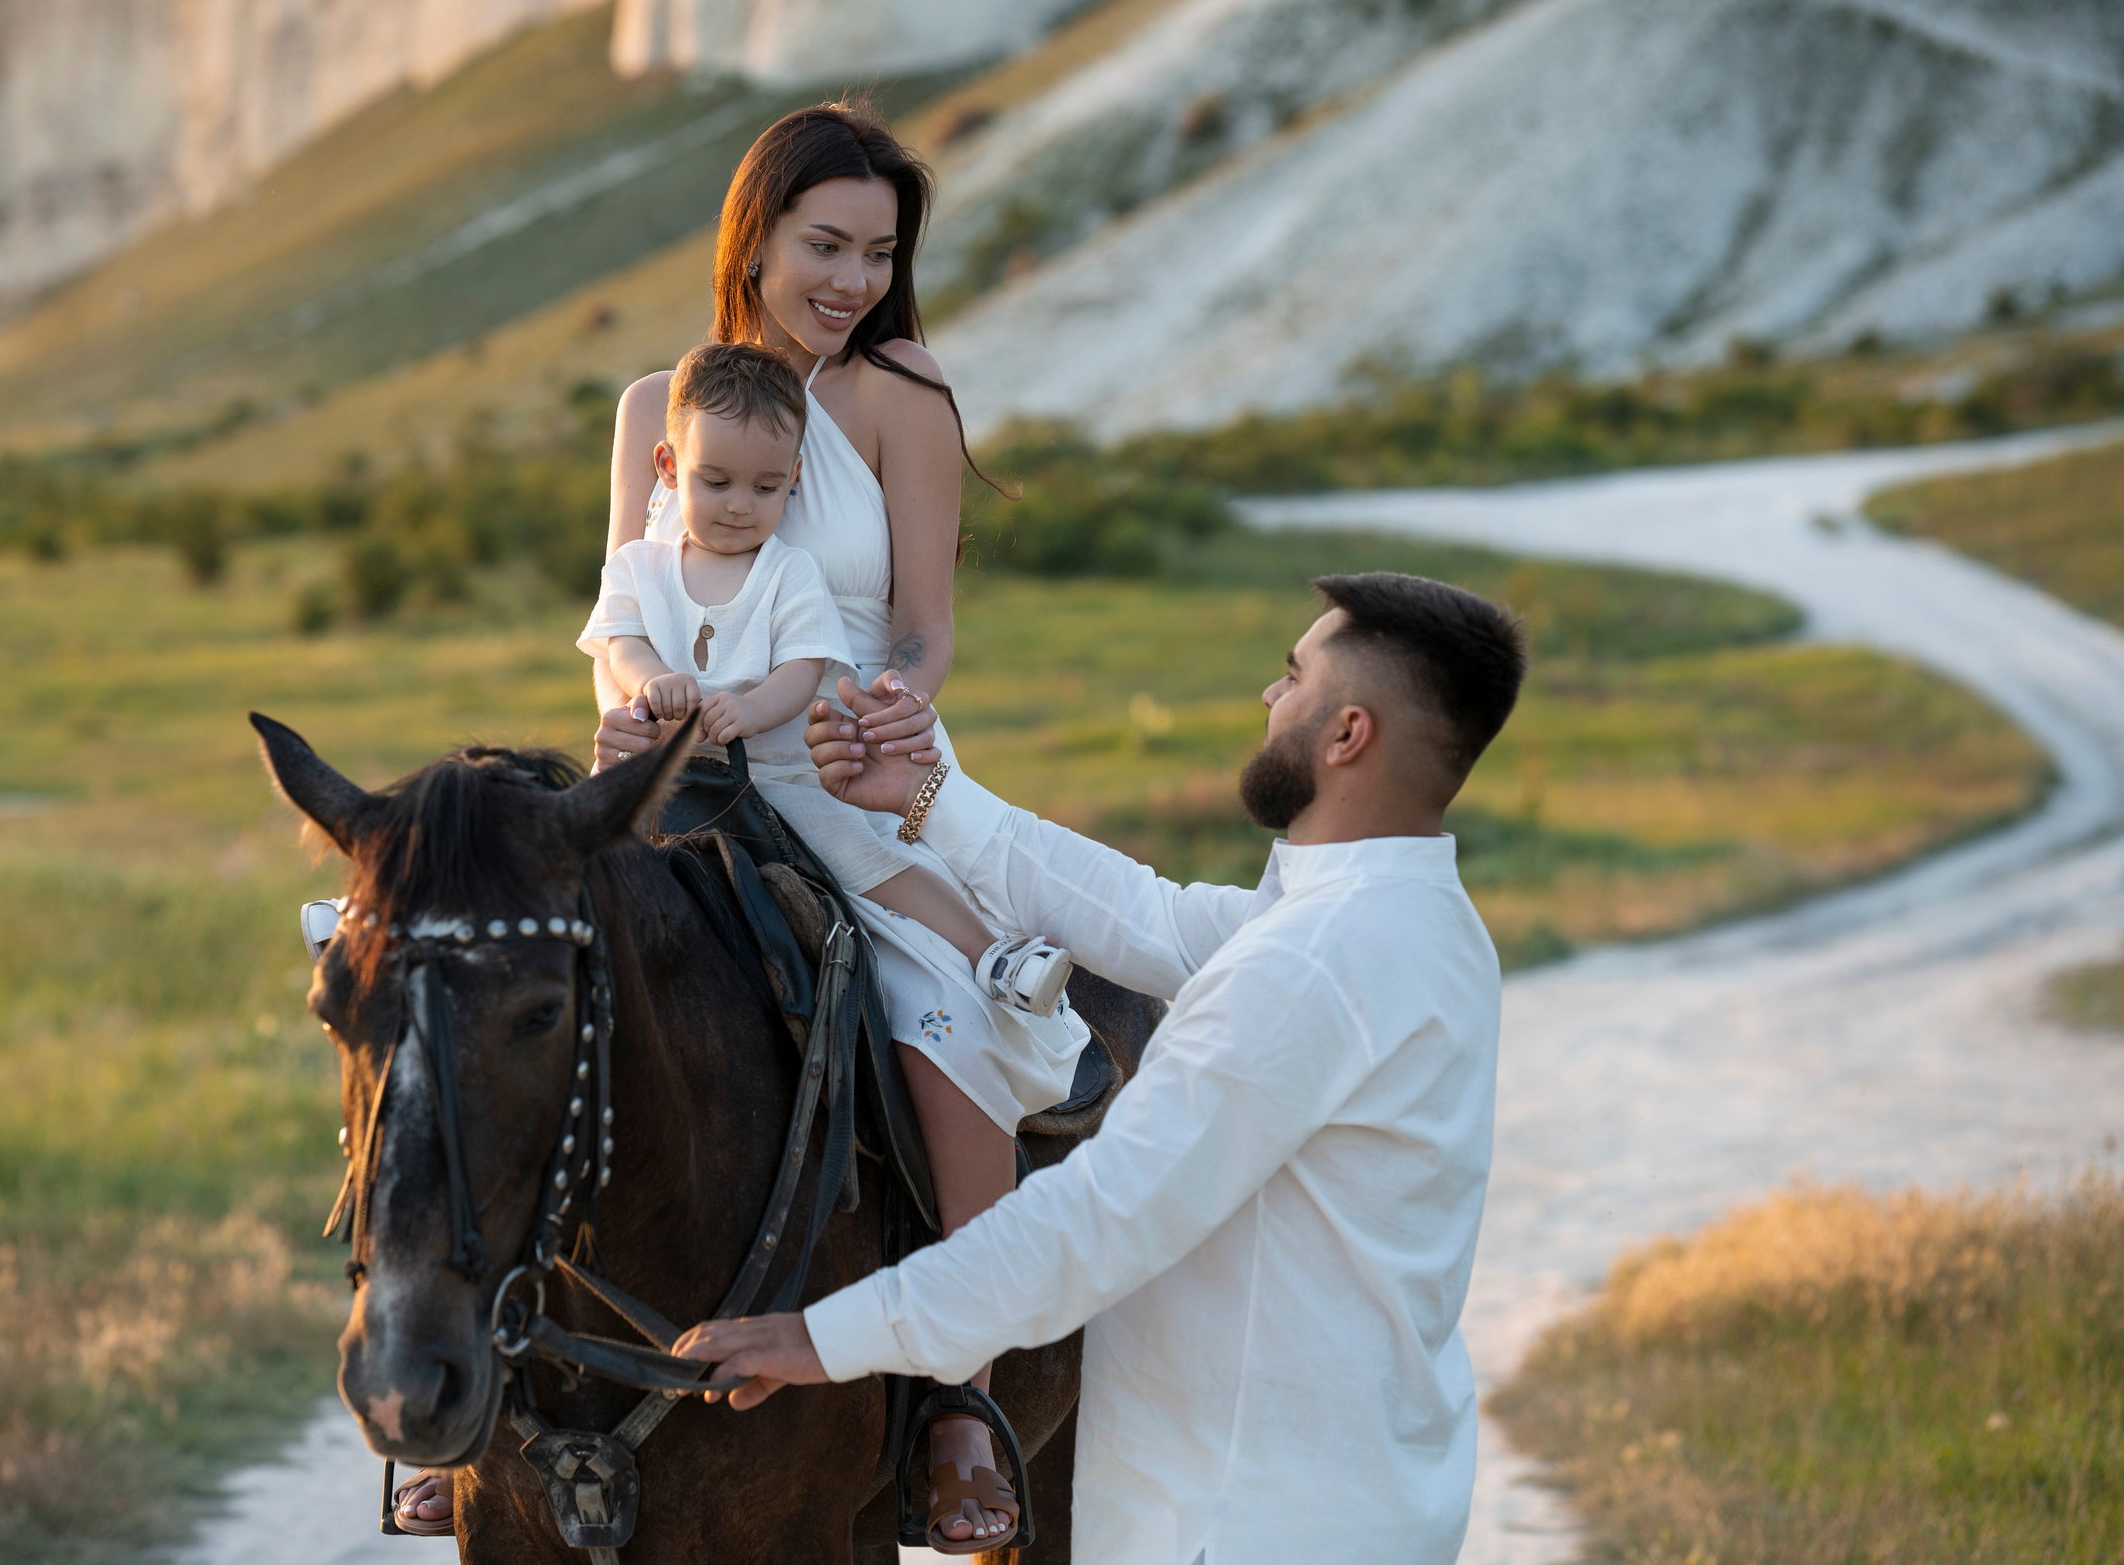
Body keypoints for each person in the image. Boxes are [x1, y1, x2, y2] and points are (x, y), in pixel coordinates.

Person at [400, 102, 1087, 1547]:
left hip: (841, 750)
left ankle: (956, 1391)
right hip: (665, 764)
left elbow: (919, 623)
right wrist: (639, 704)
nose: (849, 279)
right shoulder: (659, 406)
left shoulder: (905, 389)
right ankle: (458, 1388)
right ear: (755, 237)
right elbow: (623, 601)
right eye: (823, 245)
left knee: (938, 1007)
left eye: (877, 251)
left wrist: (892, 707)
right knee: (463, 993)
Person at [673, 572, 1532, 1565]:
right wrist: (926, 802)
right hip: (1353, 1496)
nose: (1268, 697)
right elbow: (1152, 917)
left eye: (1292, 678)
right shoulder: (1414, 919)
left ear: (1347, 735)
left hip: (1245, 1519)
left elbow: (1103, 1213)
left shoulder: (1310, 964)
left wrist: (821, 1339)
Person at [578, 340, 1075, 1016]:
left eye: (765, 486)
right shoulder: (640, 565)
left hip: (779, 776)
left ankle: (989, 950)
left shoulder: (789, 573)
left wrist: (751, 712)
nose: (738, 506)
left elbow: (802, 667)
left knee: (864, 859)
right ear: (668, 467)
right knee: (571, 861)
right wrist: (652, 682)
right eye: (716, 481)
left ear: (795, 479)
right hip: (665, 772)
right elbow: (618, 643)